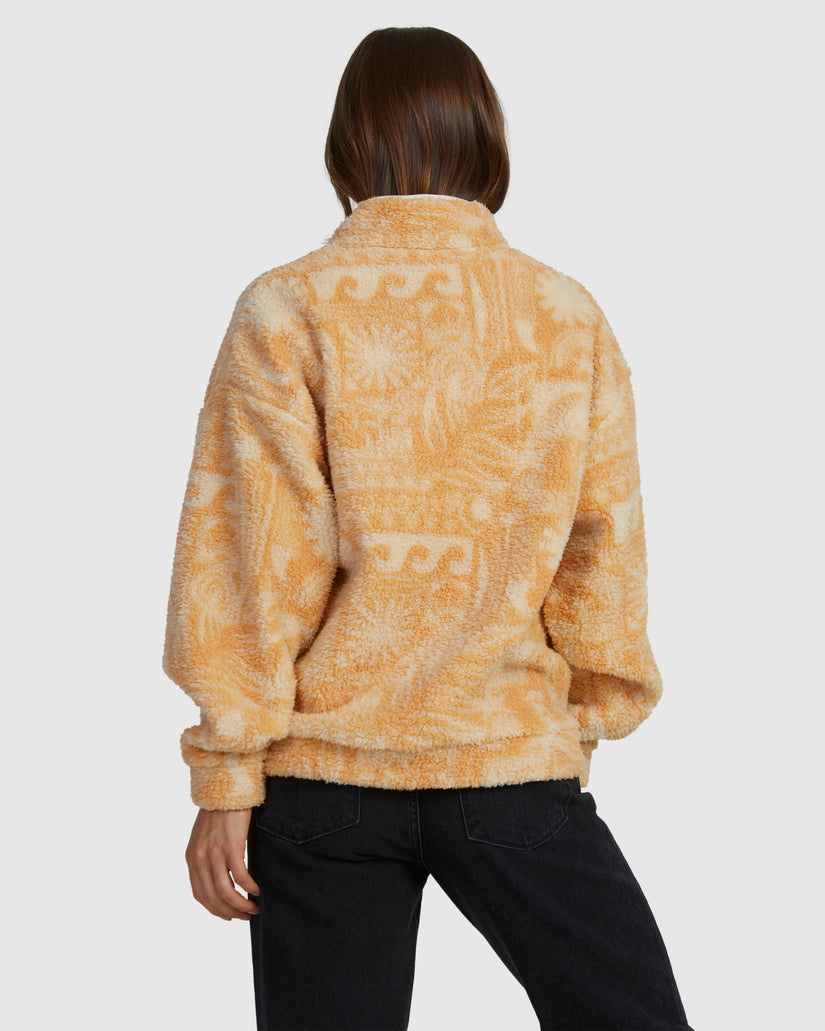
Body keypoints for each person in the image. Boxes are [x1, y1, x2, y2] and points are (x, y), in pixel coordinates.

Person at [162, 25, 694, 1031]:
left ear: (346, 145)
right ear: (484, 137)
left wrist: (225, 771)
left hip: (322, 777)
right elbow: (603, 547)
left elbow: (244, 552)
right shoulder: (563, 313)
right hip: (507, 758)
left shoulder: (285, 307)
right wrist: (582, 717)